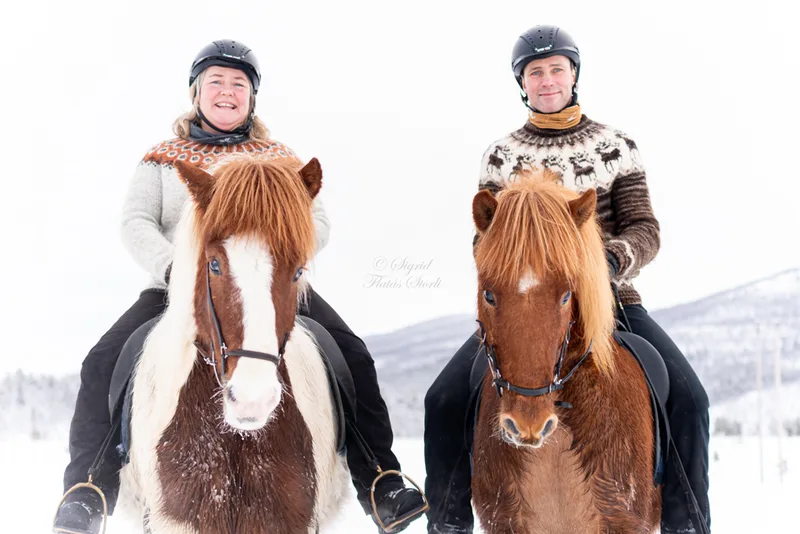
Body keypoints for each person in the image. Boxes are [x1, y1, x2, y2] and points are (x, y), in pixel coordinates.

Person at [53, 39, 425, 534]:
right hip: (173, 288)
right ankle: (89, 487)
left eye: (239, 84)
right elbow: (136, 221)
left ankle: (380, 478)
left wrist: (278, 257)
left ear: (252, 97)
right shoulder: (161, 159)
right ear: (196, 92)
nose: (227, 92)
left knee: (351, 353)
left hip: (271, 284)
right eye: (216, 82)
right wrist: (175, 268)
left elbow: (317, 221)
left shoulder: (279, 158)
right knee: (102, 361)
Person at [423, 25, 710, 534]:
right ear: (522, 83)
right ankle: (447, 520)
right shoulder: (501, 155)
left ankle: (688, 522)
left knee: (688, 396)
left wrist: (609, 262)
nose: (547, 79)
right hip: (523, 306)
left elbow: (645, 227)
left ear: (573, 74)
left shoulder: (616, 145)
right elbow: (483, 235)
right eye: (535, 72)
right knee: (443, 398)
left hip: (614, 302)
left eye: (557, 68)